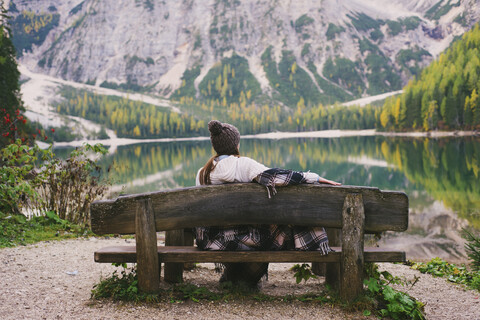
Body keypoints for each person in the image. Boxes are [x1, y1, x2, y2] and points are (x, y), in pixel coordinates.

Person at [194, 120, 341, 286]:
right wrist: (313, 177)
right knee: (278, 231)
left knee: (255, 230)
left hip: (211, 240)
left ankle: (234, 277)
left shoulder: (202, 173)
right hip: (247, 238)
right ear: (236, 144)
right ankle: (245, 279)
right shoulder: (243, 165)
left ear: (215, 146)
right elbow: (276, 177)